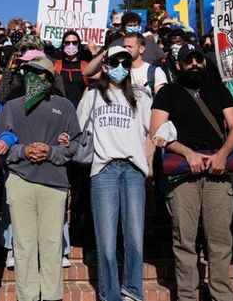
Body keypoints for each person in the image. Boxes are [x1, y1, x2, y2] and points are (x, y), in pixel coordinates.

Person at [149, 43, 233, 301]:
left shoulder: (219, 90)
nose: (194, 64)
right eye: (188, 60)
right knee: (184, 242)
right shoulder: (168, 93)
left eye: (198, 59)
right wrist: (187, 153)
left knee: (221, 241)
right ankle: (188, 297)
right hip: (182, 175)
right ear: (178, 65)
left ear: (204, 62)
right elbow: (156, 131)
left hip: (217, 171)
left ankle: (222, 296)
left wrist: (223, 155)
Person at [0, 56, 81, 301]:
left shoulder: (64, 106)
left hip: (55, 183)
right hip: (20, 180)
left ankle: (52, 297)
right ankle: (27, 297)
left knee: (52, 245)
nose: (33, 77)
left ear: (50, 79)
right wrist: (24, 150)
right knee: (24, 245)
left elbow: (74, 144)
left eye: (39, 73)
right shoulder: (11, 106)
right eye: (29, 71)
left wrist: (51, 151)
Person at [76, 47, 153, 301]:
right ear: (106, 66)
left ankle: (132, 290)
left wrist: (148, 165)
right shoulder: (93, 94)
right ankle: (110, 294)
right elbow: (78, 128)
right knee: (106, 241)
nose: (121, 66)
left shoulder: (141, 96)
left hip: (132, 170)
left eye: (125, 62)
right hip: (104, 169)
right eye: (114, 62)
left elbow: (151, 133)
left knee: (134, 236)